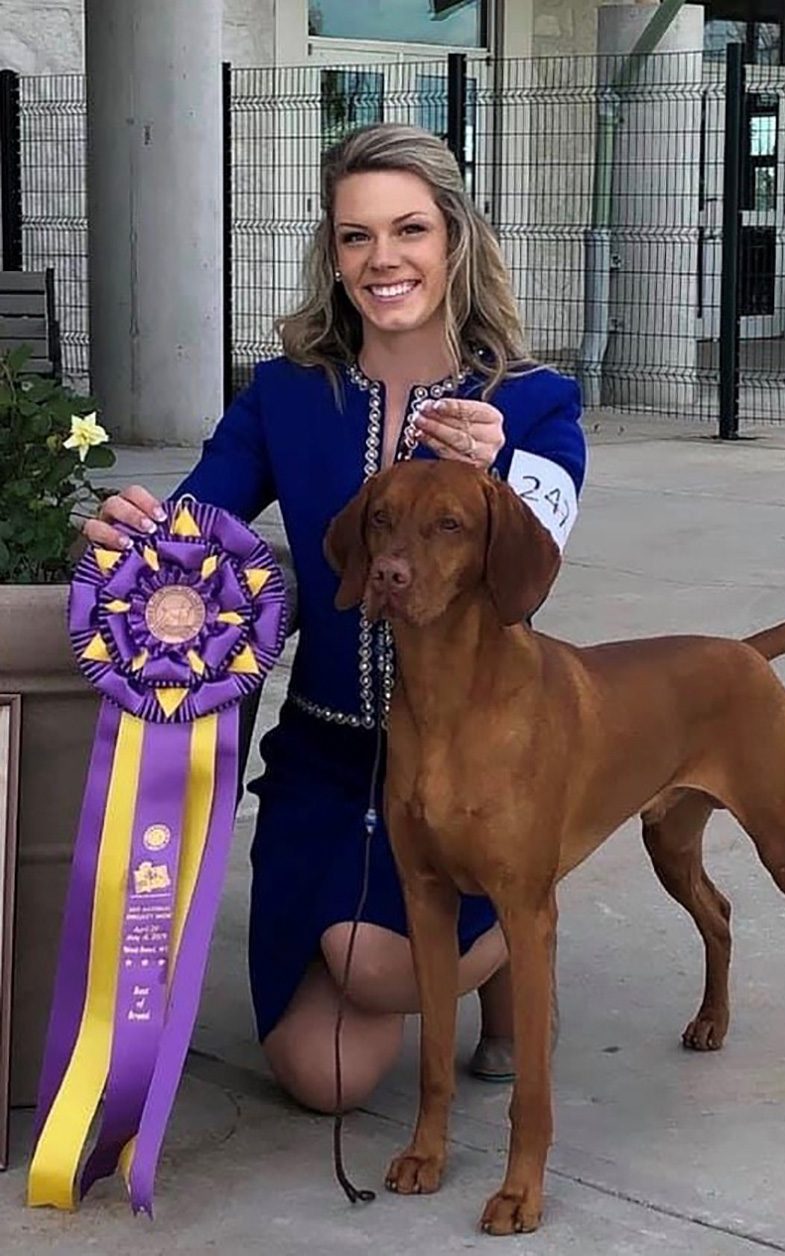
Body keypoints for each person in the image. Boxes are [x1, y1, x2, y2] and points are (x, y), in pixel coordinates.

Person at [85, 122, 587, 1112]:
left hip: (476, 760)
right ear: (332, 251)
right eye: (354, 236)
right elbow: (199, 522)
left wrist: (495, 479)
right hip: (325, 758)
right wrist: (130, 534)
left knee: (375, 966)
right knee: (325, 1078)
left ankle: (508, 940)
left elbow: (539, 571)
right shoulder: (283, 394)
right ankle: (399, 944)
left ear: (453, 236)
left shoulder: (529, 402)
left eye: (408, 229)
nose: (382, 258)